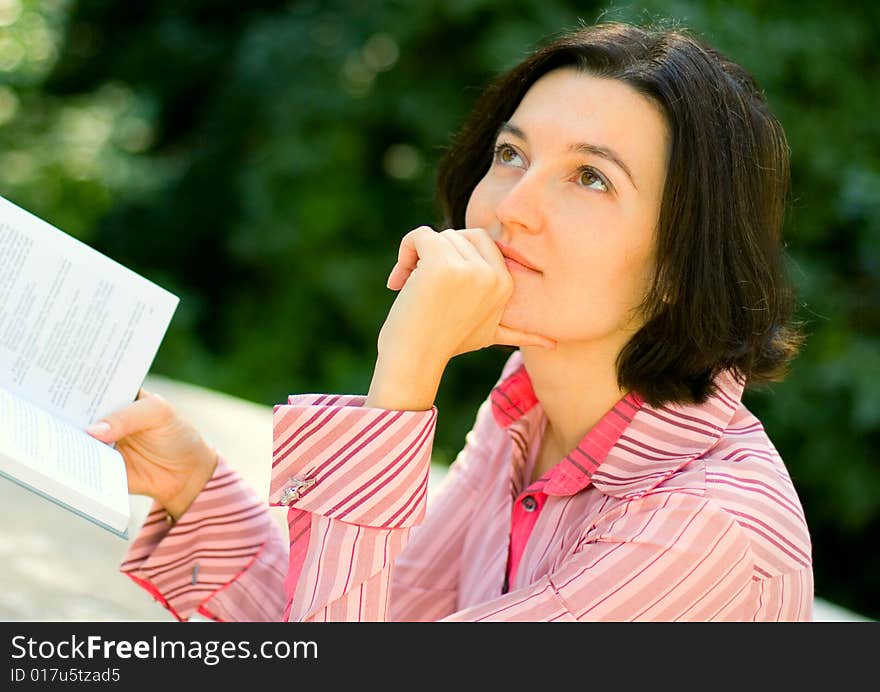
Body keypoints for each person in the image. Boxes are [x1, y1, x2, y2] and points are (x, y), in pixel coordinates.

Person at [86, 20, 813, 621]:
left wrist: (405, 373)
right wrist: (193, 487)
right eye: (511, 154)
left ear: (684, 264)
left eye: (590, 177)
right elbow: (376, 614)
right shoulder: (529, 407)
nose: (511, 206)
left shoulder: (702, 532)